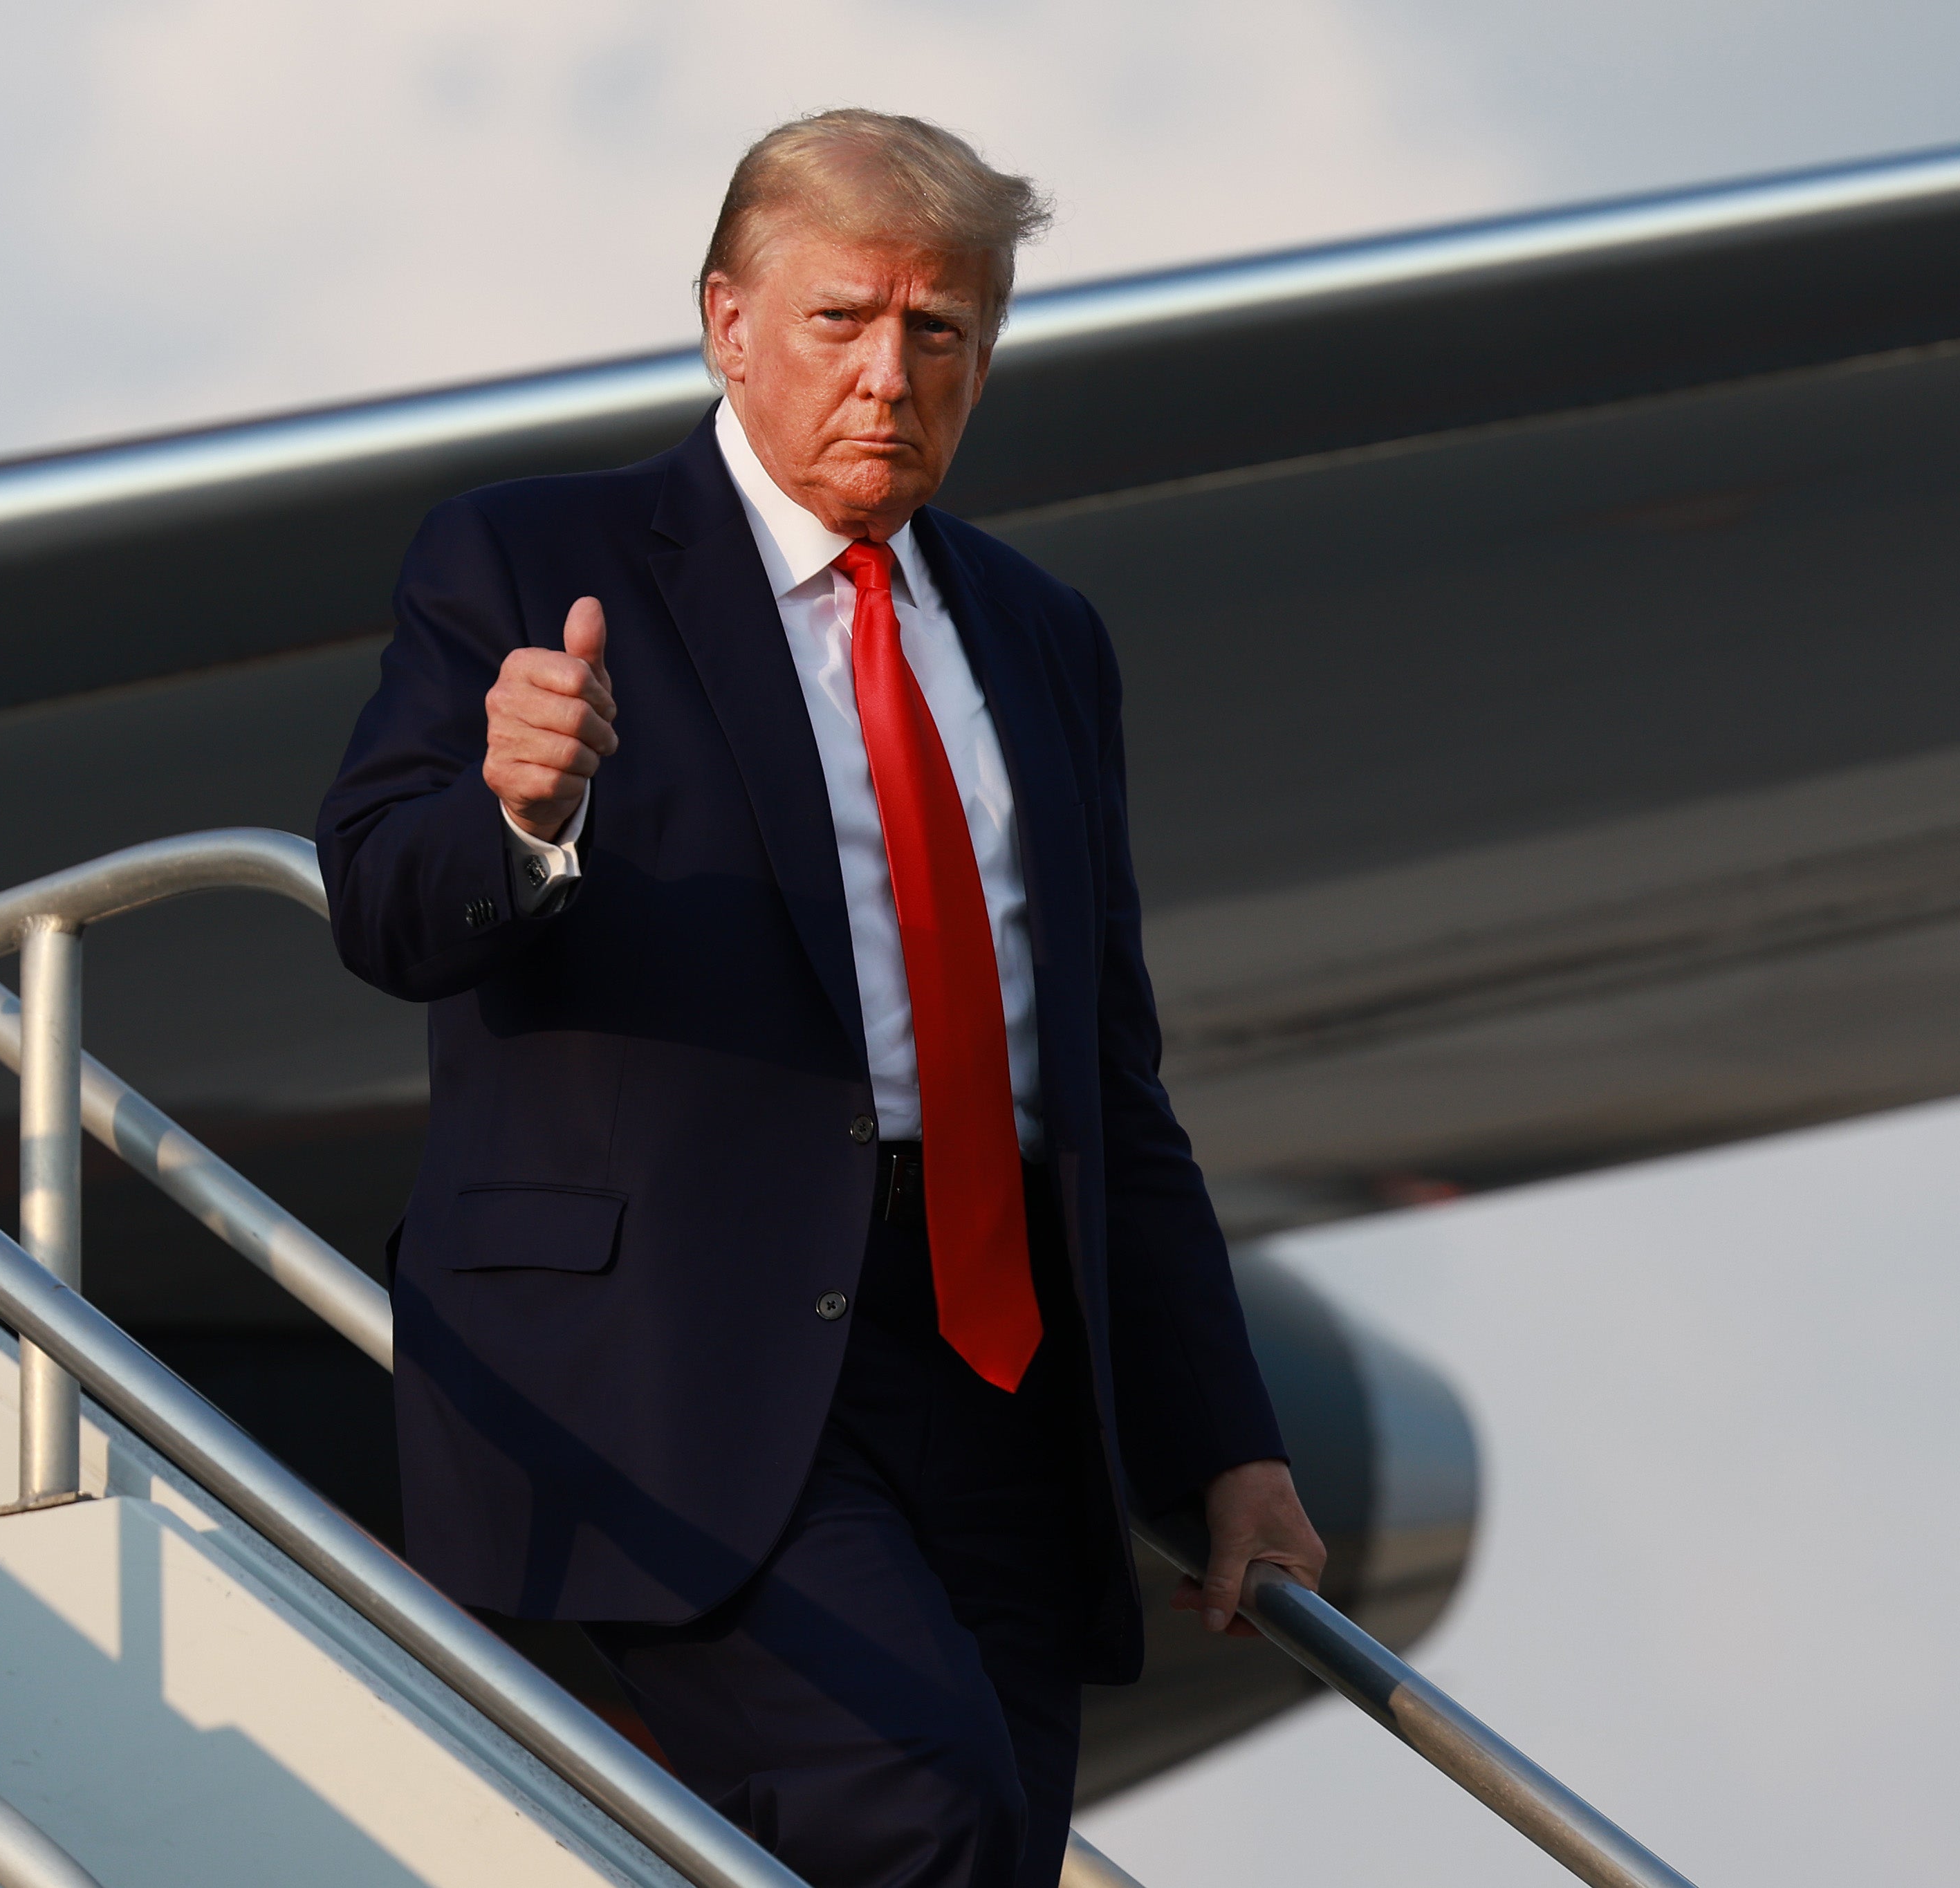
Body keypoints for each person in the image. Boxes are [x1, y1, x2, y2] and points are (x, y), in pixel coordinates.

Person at [317, 109, 1324, 1888]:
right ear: (724, 322)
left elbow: (1101, 1080)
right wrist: (516, 813)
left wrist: (1227, 1445)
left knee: (996, 1841)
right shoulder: (528, 558)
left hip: (1000, 1350)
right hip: (685, 1354)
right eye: (839, 321)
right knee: (912, 1804)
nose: (888, 375)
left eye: (938, 334)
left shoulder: (1036, 634)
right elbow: (382, 907)